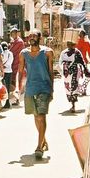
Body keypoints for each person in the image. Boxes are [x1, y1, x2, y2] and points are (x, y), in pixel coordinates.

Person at [17, 29, 54, 159]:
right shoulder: (24, 53)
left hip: (44, 87)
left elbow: (51, 71)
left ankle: (39, 147)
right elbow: (20, 71)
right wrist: (18, 88)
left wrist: (52, 89)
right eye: (30, 36)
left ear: (39, 38)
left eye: (34, 36)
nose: (32, 38)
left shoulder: (47, 52)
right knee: (35, 116)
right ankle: (43, 139)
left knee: (41, 116)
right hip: (30, 88)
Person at [59, 40, 90, 112]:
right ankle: (71, 103)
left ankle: (73, 105)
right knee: (68, 88)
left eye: (71, 44)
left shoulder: (77, 52)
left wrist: (86, 70)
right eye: (68, 44)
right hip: (66, 74)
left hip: (75, 72)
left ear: (73, 44)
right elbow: (60, 62)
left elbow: (82, 61)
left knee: (74, 87)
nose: (69, 45)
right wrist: (64, 66)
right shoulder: (63, 53)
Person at [8, 27, 26, 104]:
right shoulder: (14, 41)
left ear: (17, 33)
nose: (13, 35)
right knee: (14, 82)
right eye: (12, 33)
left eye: (14, 33)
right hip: (13, 63)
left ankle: (17, 99)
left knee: (17, 82)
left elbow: (12, 51)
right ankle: (15, 98)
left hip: (18, 64)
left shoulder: (19, 42)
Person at [0, 41, 13, 108]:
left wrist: (1, 67)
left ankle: (6, 103)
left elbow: (7, 63)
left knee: (4, 87)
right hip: (7, 72)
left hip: (4, 72)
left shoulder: (4, 53)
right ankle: (5, 102)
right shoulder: (10, 53)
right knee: (6, 87)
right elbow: (9, 63)